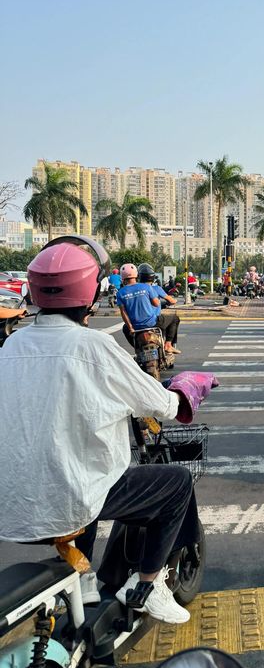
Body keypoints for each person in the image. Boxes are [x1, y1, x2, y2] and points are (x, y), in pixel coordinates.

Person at [0, 236, 207, 623]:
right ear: (91, 293)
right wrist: (189, 389)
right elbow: (162, 406)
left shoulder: (11, 347)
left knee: (78, 471)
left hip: (11, 502)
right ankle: (147, 584)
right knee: (176, 483)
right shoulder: (93, 346)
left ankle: (84, 581)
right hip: (67, 497)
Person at [117, 264, 179, 354]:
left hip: (135, 326)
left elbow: (123, 312)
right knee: (174, 318)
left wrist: (130, 328)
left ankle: (138, 349)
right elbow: (156, 303)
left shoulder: (120, 293)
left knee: (125, 328)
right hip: (152, 322)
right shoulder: (147, 288)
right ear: (136, 275)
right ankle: (168, 345)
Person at [138, 263, 181, 354]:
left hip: (137, 323)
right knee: (175, 318)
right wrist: (174, 300)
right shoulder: (155, 288)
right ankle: (168, 345)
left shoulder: (135, 289)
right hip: (154, 321)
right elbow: (171, 301)